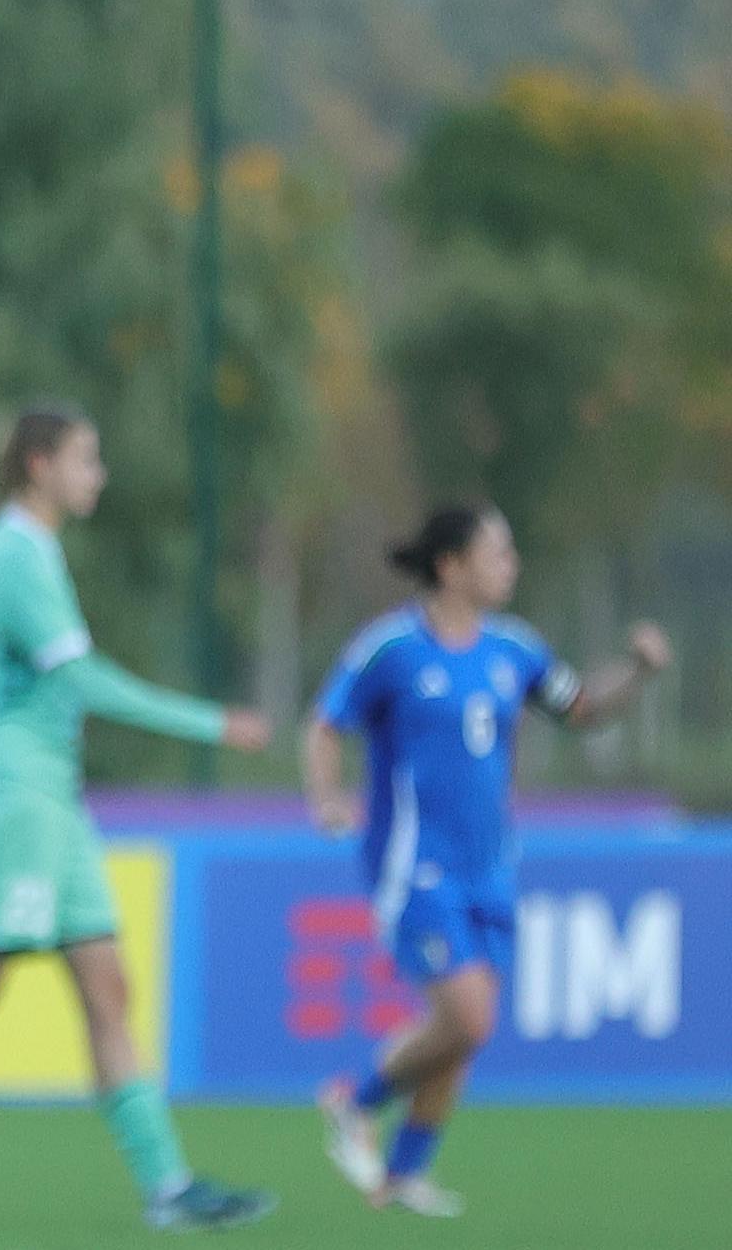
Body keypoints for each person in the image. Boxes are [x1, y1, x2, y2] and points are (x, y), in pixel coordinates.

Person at [0, 407, 276, 1234]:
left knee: (108, 986)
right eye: (87, 458)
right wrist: (212, 724)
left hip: (51, 800)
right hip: (14, 796)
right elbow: (84, 682)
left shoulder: (18, 550)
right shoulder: (14, 556)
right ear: (40, 465)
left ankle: (169, 1187)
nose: (98, 475)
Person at [303, 505, 668, 1218]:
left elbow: (581, 709)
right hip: (416, 867)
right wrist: (326, 797)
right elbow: (325, 723)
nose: (511, 564)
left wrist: (638, 672)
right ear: (451, 566)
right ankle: (355, 1103)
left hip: (491, 866)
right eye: (497, 552)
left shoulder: (515, 649)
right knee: (467, 1018)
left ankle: (402, 1175)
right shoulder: (393, 649)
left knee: (464, 1036)